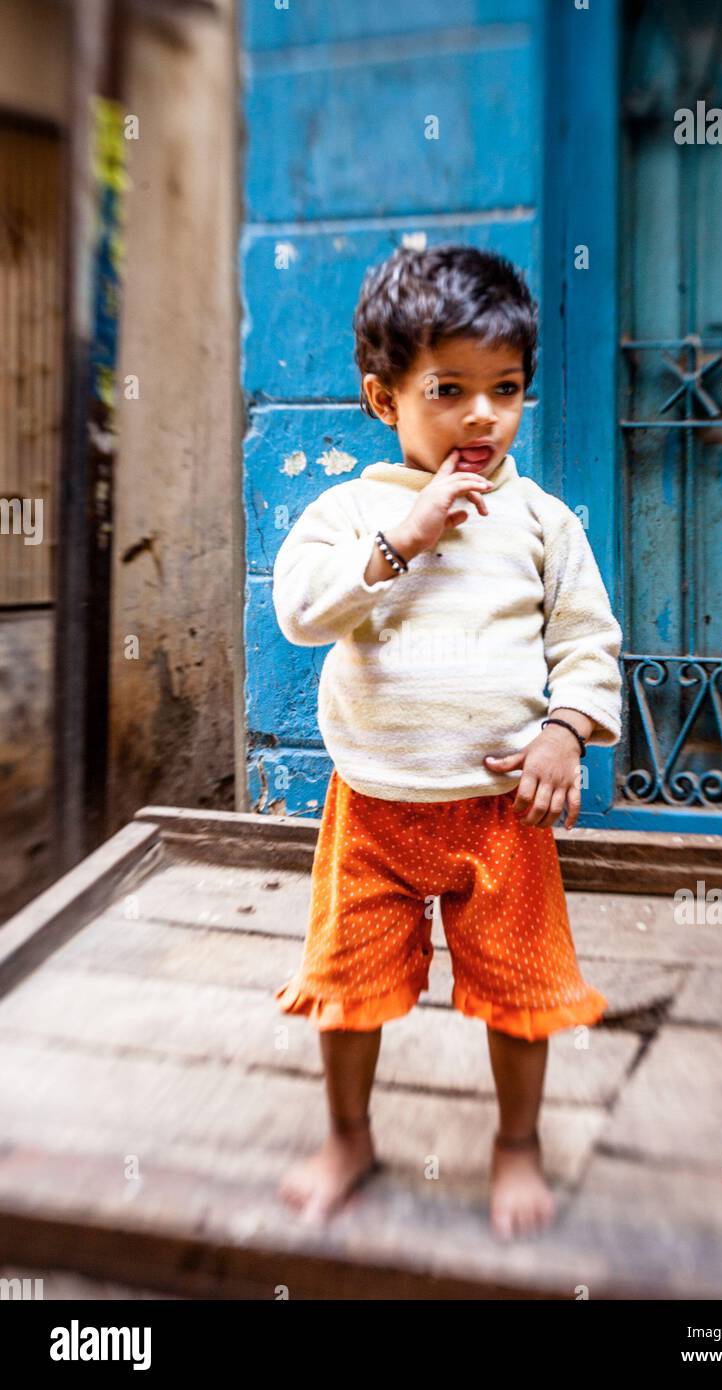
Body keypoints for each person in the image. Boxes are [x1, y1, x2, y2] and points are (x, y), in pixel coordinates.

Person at [271, 244, 622, 1239]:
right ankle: (349, 1134)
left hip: (500, 814)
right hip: (373, 808)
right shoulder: (348, 511)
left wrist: (564, 727)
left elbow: (586, 639)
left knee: (521, 992)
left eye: (504, 389)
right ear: (384, 398)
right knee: (349, 989)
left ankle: (516, 1141)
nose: (481, 415)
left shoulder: (542, 520)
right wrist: (399, 539)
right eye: (449, 388)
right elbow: (300, 612)